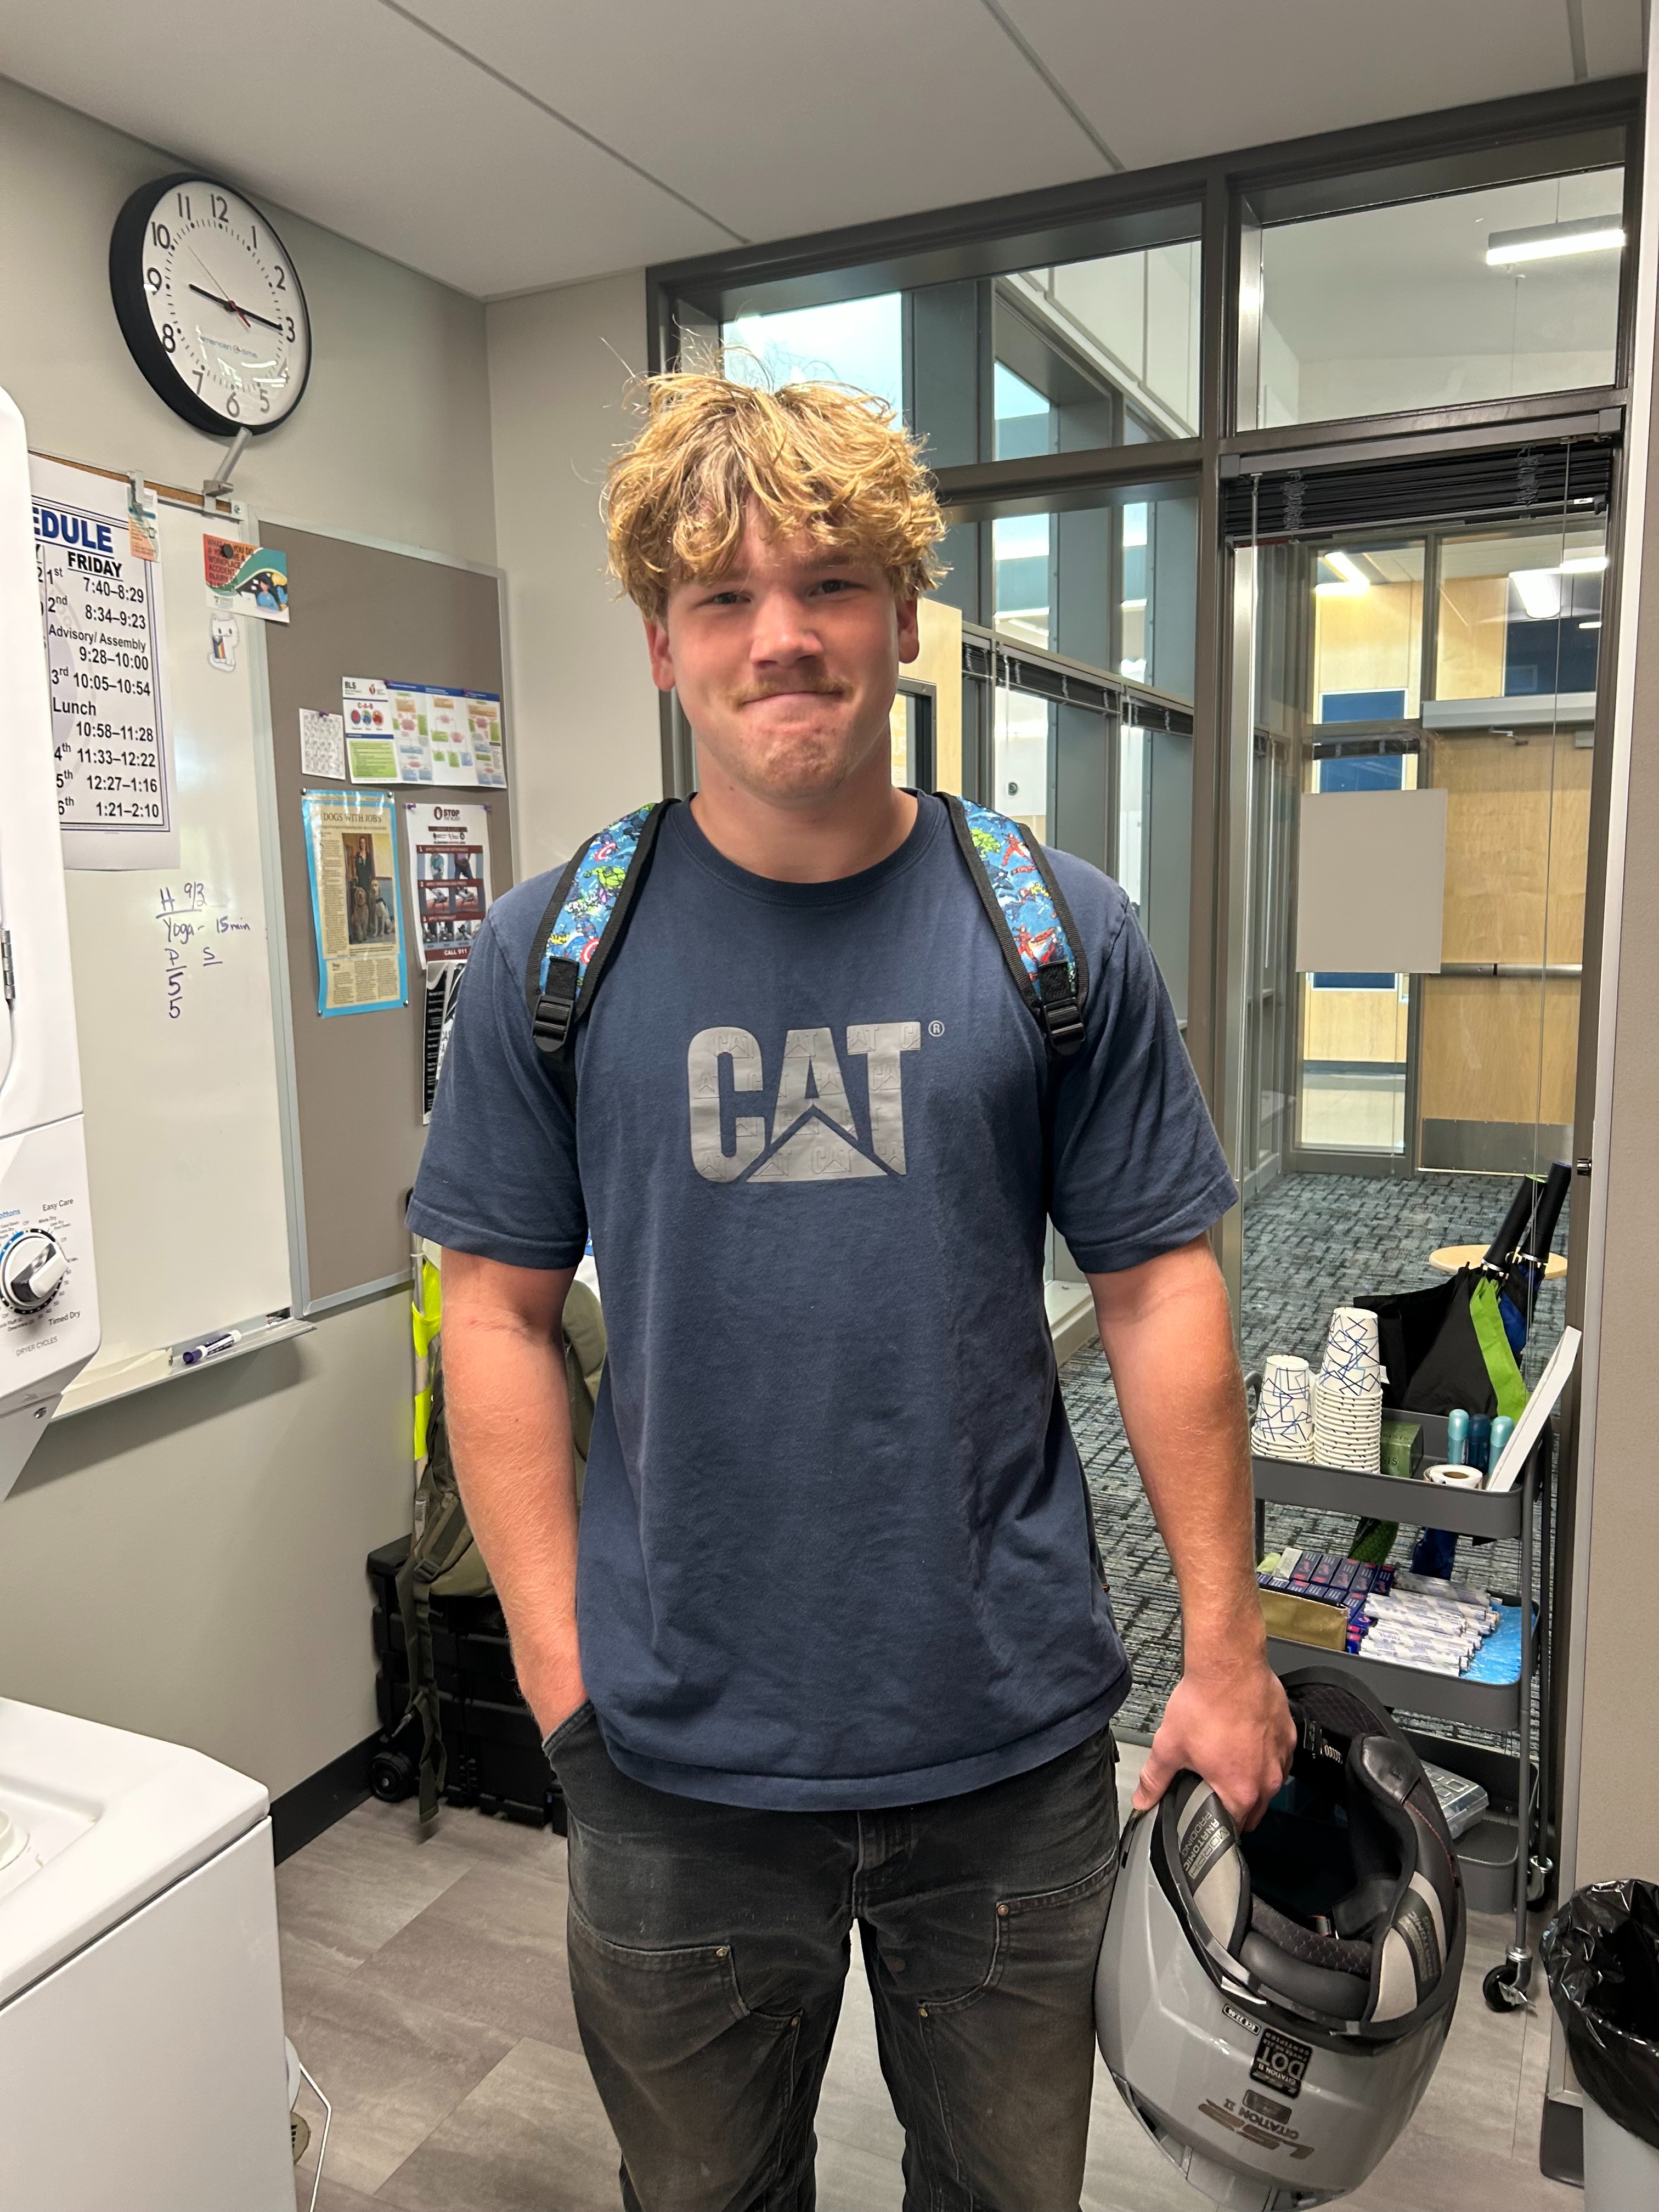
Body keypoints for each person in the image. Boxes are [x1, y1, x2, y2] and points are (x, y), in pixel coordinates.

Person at [409, 373, 1294, 2212]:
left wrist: (1225, 1653)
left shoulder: (1054, 932)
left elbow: (1158, 1290)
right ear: (661, 641)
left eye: (827, 584)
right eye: (723, 597)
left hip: (1007, 1754)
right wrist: (563, 1682)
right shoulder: (553, 951)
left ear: (903, 613)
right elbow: (492, 1313)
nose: (781, 637)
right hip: (673, 1767)